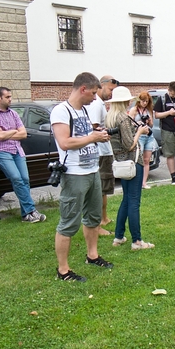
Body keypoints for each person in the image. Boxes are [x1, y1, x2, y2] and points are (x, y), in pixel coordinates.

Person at [50, 72, 113, 282]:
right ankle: (63, 270)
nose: (95, 97)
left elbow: (84, 133)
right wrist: (92, 137)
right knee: (69, 222)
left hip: (92, 171)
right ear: (83, 89)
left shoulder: (85, 111)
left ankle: (92, 256)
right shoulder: (61, 111)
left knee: (93, 218)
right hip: (74, 174)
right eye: (93, 93)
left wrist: (97, 132)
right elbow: (65, 142)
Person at [0, 87, 47, 223]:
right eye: (7, 97)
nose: (10, 99)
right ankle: (31, 211)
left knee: (25, 178)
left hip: (17, 150)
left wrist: (7, 132)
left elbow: (23, 134)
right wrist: (13, 131)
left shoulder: (14, 114)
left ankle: (26, 215)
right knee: (16, 178)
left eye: (10, 97)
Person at [105, 86, 154, 250]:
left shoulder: (110, 118)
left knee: (126, 200)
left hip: (120, 163)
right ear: (125, 102)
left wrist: (135, 128)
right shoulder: (123, 119)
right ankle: (137, 241)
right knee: (134, 202)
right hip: (132, 163)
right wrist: (139, 132)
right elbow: (129, 145)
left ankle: (118, 236)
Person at [87, 75, 119, 235]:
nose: (111, 93)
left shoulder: (99, 104)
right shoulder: (96, 105)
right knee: (100, 187)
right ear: (102, 85)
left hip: (104, 151)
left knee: (104, 188)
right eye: (110, 89)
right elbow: (93, 129)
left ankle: (104, 218)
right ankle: (98, 222)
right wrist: (105, 133)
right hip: (100, 153)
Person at [129, 91, 158, 189]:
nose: (145, 103)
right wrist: (137, 123)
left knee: (146, 160)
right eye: (143, 101)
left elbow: (152, 125)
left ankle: (144, 183)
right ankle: (136, 182)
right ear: (139, 101)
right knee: (138, 159)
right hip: (139, 135)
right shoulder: (134, 110)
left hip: (148, 136)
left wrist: (149, 121)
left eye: (146, 101)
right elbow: (128, 123)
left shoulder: (149, 110)